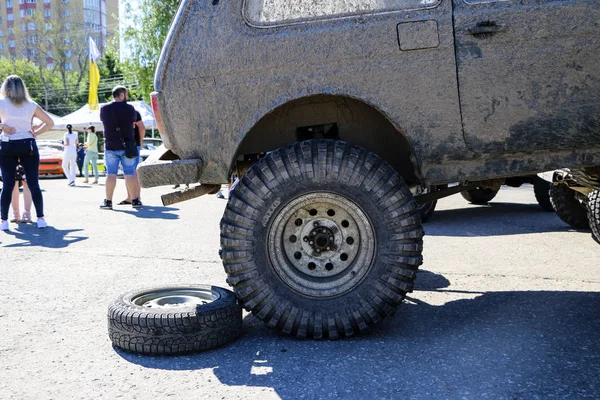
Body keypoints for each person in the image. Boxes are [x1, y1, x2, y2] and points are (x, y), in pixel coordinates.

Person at [0, 75, 55, 231]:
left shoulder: (2, 104)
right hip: (28, 145)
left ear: (6, 88)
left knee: (8, 185)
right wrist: (35, 132)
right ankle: (40, 218)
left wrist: (2, 127)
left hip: (7, 146)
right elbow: (50, 122)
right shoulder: (31, 105)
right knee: (33, 184)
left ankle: (4, 221)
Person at [99, 86, 141, 209]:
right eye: (126, 95)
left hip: (111, 146)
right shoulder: (130, 108)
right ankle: (135, 200)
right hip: (127, 146)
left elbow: (104, 122)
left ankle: (108, 201)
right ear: (122, 95)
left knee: (111, 173)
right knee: (129, 173)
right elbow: (133, 123)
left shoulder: (105, 109)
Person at [119, 110, 145, 205]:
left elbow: (142, 128)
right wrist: (140, 143)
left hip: (129, 146)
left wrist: (140, 143)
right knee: (130, 172)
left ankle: (135, 197)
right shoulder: (134, 112)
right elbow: (142, 128)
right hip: (132, 145)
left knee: (131, 172)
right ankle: (133, 197)